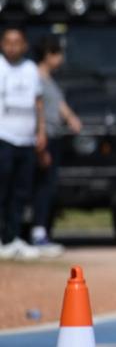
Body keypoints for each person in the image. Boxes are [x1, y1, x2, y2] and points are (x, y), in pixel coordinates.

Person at [0, 27, 48, 260]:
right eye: (8, 42)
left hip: (26, 139)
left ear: (25, 45)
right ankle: (2, 238)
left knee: (21, 191)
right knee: (3, 189)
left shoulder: (30, 70)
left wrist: (41, 131)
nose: (12, 46)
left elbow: (38, 103)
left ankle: (14, 237)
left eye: (17, 42)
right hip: (4, 137)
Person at [32, 36, 82, 255]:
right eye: (58, 54)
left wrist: (72, 118)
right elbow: (37, 109)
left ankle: (41, 229)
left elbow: (60, 105)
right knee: (41, 186)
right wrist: (39, 137)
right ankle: (37, 232)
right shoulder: (35, 77)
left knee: (48, 186)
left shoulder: (49, 80)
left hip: (53, 136)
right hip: (42, 137)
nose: (61, 59)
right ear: (48, 55)